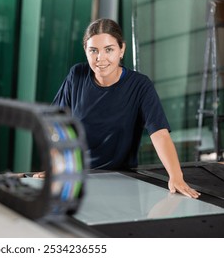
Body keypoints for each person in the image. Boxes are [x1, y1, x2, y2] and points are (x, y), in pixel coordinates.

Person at [36, 18, 200, 199]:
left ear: (122, 49)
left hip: (122, 182)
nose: (100, 58)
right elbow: (55, 125)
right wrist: (56, 167)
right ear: (86, 50)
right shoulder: (77, 76)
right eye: (93, 51)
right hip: (78, 179)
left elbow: (159, 133)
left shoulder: (140, 86)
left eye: (109, 50)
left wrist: (176, 176)